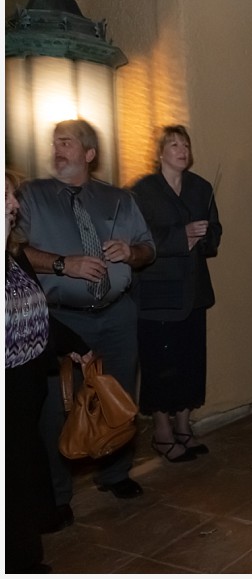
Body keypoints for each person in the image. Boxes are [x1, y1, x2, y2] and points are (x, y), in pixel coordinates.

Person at [16, 120, 156, 513]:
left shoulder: (119, 199)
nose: (57, 148)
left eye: (67, 142)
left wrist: (131, 253)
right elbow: (13, 250)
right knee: (54, 409)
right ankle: (58, 495)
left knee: (119, 396)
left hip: (117, 316)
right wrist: (64, 265)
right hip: (61, 321)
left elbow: (149, 248)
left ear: (89, 154)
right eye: (55, 142)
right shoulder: (31, 196)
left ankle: (115, 473)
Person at [6, 169, 91, 572]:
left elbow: (35, 311)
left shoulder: (12, 254)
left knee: (22, 480)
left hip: (25, 392)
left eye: (13, 196)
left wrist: (76, 344)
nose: (14, 205)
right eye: (4, 197)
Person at [129, 125, 223, 462]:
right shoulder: (142, 190)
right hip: (157, 294)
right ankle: (162, 431)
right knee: (161, 363)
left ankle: (184, 426)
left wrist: (207, 234)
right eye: (173, 144)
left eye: (186, 144)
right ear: (159, 153)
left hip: (194, 291)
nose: (182, 149)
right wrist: (179, 236)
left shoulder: (201, 187)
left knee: (190, 361)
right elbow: (135, 239)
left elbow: (215, 232)